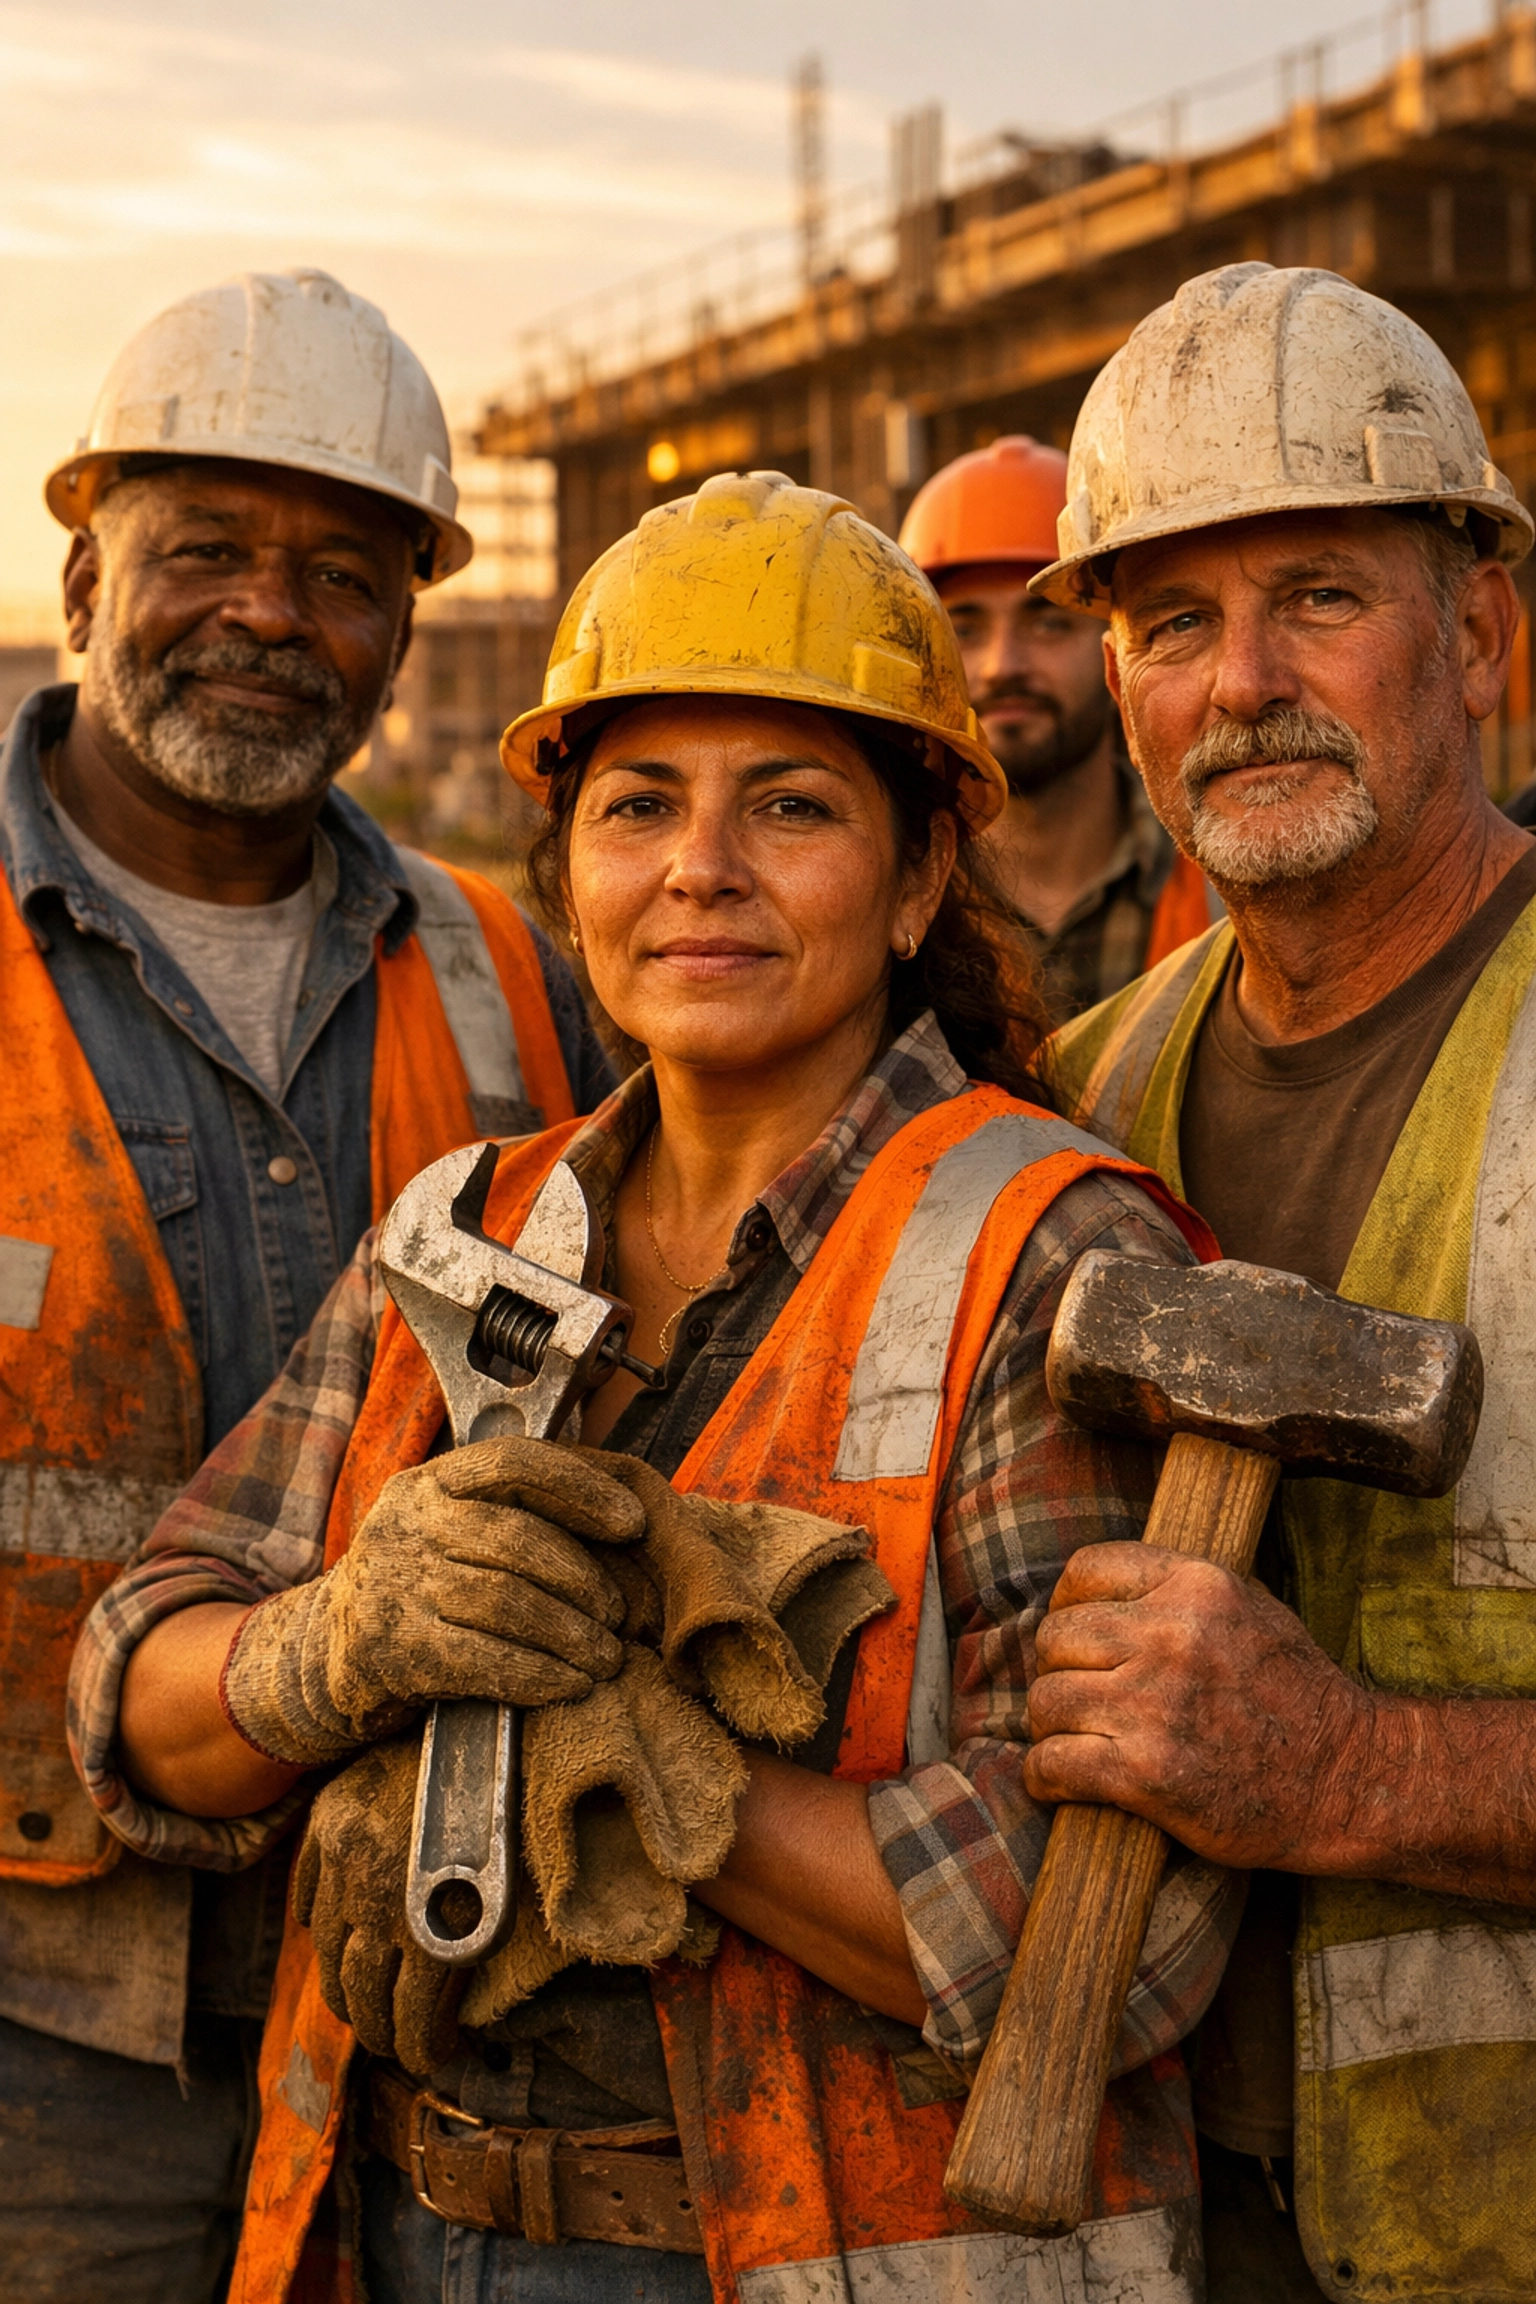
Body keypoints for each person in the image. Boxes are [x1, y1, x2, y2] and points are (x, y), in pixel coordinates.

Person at [78, 470, 1246, 2304]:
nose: (702, 866)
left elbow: (1114, 1930)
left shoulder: (1048, 1259)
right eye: (641, 806)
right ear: (571, 871)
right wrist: (334, 1647)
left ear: (922, 867)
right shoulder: (463, 1227)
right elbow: (134, 1687)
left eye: (789, 805)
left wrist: (662, 1765)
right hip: (398, 2231)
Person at [3, 268, 611, 2303]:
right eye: (210, 553)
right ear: (85, 575)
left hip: (429, 1998)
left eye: (343, 571)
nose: (276, 613)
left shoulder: (510, 976)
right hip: (42, 2025)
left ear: (404, 632)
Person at [1037, 261, 1536, 2300]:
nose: (1239, 680)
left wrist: (1347, 1769)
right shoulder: (1078, 1100)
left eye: (1319, 595)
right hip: (1154, 2218)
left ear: (1483, 631)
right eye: (1171, 624)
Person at [899, 435, 1217, 1016]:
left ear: (1115, 652)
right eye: (964, 631)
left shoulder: (1225, 866)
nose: (1004, 666)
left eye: (1046, 623)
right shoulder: (891, 895)